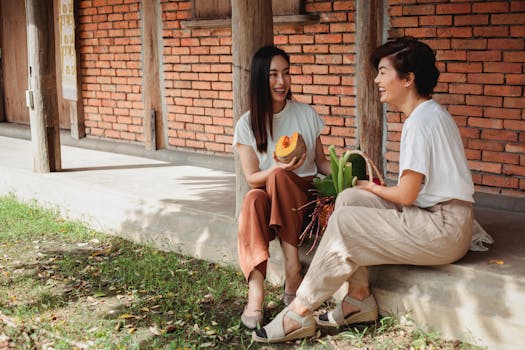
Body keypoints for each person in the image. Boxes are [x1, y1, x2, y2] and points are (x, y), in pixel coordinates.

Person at [252, 36, 475, 343]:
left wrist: (370, 184)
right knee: (349, 198)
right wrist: (362, 189)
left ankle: (299, 312)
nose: (377, 79)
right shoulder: (428, 114)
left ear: (408, 79)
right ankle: (358, 299)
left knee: (347, 218)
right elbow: (408, 194)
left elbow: (406, 195)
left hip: (443, 229)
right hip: (439, 220)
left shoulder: (421, 123)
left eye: (383, 72)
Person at [232, 45, 331, 329]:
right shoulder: (247, 124)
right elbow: (252, 177)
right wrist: (278, 169)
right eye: (274, 74)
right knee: (253, 199)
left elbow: (320, 162)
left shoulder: (306, 114)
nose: (281, 82)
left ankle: (292, 269)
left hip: (305, 198)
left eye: (286, 74)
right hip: (270, 199)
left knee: (277, 179)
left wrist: (344, 172)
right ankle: (256, 291)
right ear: (261, 79)